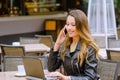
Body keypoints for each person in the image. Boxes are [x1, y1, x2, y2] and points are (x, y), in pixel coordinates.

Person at [47, 9, 100, 80]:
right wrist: (57, 44)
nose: (69, 28)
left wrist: (67, 78)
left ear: (81, 27)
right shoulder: (66, 45)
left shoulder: (89, 47)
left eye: (73, 25)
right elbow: (51, 68)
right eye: (67, 24)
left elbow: (90, 78)